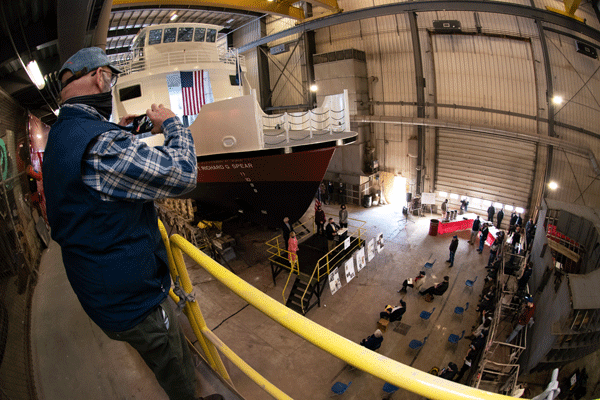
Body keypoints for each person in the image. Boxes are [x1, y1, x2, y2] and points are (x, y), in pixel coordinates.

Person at [42, 47, 222, 400]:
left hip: (99, 286)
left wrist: (121, 132)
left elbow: (100, 166)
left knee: (165, 353)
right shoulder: (101, 146)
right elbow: (184, 175)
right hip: (132, 299)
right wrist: (172, 124)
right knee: (173, 358)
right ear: (100, 77)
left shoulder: (63, 135)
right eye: (109, 79)